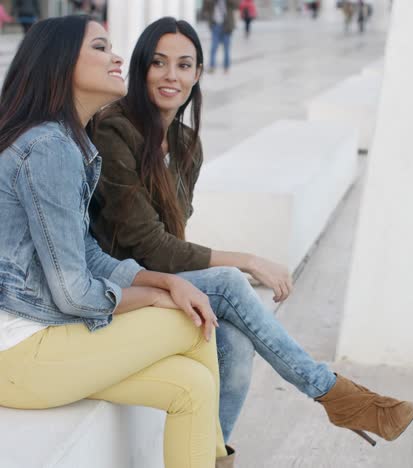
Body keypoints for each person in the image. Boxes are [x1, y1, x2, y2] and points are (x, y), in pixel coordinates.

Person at [91, 16, 413, 457]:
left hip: (155, 276)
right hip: (117, 282)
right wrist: (248, 259)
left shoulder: (186, 143)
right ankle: (334, 394)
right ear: (140, 68)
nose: (172, 75)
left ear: (198, 74)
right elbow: (147, 244)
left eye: (184, 65)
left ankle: (209, 457)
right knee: (229, 282)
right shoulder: (114, 131)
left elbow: (174, 238)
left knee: (235, 344)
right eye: (158, 63)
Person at [0, 15, 232, 468]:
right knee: (192, 321)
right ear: (63, 64)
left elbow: (84, 252)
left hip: (33, 351)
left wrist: (164, 281)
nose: (117, 58)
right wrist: (156, 297)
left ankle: (217, 458)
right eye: (101, 48)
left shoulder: (66, 142)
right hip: (22, 355)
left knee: (192, 385)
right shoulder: (48, 148)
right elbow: (72, 292)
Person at [202, 0, 240, 73]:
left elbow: (237, 5)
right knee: (213, 47)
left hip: (227, 26)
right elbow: (205, 8)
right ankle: (212, 66)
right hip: (215, 25)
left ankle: (226, 67)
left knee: (226, 48)